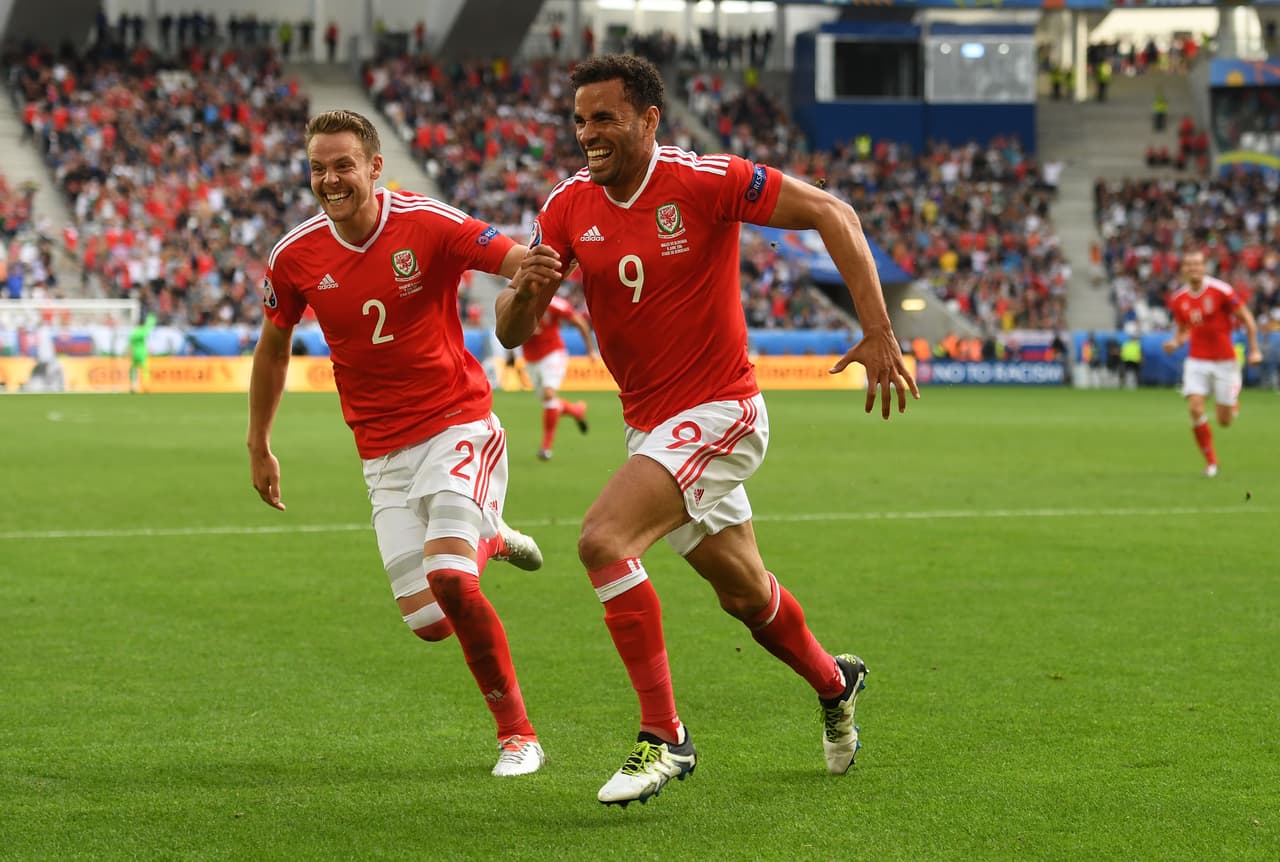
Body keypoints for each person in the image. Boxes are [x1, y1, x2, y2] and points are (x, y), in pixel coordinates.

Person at [496, 55, 919, 807]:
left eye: (605, 118)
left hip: (722, 412)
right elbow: (510, 331)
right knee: (746, 597)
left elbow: (835, 213)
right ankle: (835, 681)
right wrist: (523, 297)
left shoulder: (705, 180)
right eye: (580, 120)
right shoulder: (565, 207)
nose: (589, 133)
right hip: (651, 429)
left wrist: (879, 331)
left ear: (649, 119)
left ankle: (665, 737)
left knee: (602, 541)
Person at [247, 109, 547, 777]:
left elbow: (513, 258)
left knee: (450, 578)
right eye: (318, 168)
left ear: (375, 167)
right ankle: (490, 536)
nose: (330, 179)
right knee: (430, 620)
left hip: (456, 424)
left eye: (343, 165)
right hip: (380, 453)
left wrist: (536, 269)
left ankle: (518, 735)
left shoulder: (427, 222)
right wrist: (258, 444)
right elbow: (272, 350)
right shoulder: (295, 255)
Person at [1163, 250, 1263, 476]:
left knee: (1224, 421)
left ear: (1204, 267)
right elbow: (1183, 330)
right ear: (1183, 270)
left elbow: (1247, 319)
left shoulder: (1221, 291)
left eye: (1197, 264)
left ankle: (1232, 400)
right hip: (1197, 360)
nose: (1193, 268)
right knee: (1195, 407)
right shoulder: (1178, 299)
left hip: (1224, 361)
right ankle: (1211, 462)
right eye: (1189, 265)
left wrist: (1254, 350)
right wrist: (1175, 343)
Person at [520, 290, 598, 460]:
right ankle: (576, 411)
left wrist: (591, 350)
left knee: (549, 396)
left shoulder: (554, 303)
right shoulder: (519, 301)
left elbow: (580, 322)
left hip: (553, 353)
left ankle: (546, 448)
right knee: (550, 403)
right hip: (531, 360)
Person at [128, 312, 156, 393]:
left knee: (133, 369)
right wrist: (151, 318)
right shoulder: (143, 331)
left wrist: (129, 352)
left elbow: (130, 343)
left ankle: (133, 387)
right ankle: (146, 386)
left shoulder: (133, 332)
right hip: (142, 353)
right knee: (145, 370)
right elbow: (149, 327)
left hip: (134, 353)